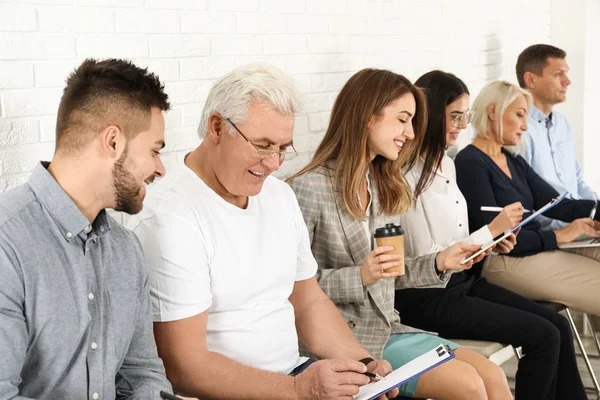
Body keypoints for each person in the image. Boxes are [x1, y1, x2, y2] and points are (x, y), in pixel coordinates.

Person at [127, 64, 398, 400]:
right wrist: (299, 390)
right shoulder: (170, 217)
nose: (273, 163)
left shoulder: (279, 195)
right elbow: (184, 367)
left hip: (292, 376)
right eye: (262, 145)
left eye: (283, 147)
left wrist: (363, 365)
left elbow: (308, 301)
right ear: (216, 127)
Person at [288, 68, 511, 400]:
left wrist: (439, 262)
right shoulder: (308, 189)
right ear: (367, 117)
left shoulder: (380, 184)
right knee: (468, 385)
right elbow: (289, 290)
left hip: (391, 329)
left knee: (492, 374)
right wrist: (360, 275)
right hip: (348, 338)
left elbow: (393, 272)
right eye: (403, 120)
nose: (410, 133)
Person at [396, 70, 586, 399]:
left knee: (555, 327)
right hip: (427, 295)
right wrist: (492, 230)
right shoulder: (406, 174)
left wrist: (492, 241)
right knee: (543, 335)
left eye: (464, 116)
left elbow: (460, 241)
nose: (460, 124)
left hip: (463, 282)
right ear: (430, 114)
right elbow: (426, 256)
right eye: (454, 116)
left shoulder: (447, 163)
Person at [0, 58, 173, 399]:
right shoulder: (7, 243)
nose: (160, 168)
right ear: (112, 142)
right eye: (154, 151)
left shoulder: (126, 250)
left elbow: (141, 374)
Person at [455, 80, 600, 318]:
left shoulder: (513, 161)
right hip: (501, 260)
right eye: (520, 115)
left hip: (536, 249)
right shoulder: (470, 163)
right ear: (493, 112)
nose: (525, 126)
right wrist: (559, 236)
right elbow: (498, 238)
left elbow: (560, 206)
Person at [516, 44, 597, 230]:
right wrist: (575, 225)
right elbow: (528, 201)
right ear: (531, 79)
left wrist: (595, 211)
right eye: (558, 74)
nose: (567, 81)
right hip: (555, 232)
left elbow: (578, 182)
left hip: (581, 224)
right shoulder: (519, 130)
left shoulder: (562, 124)